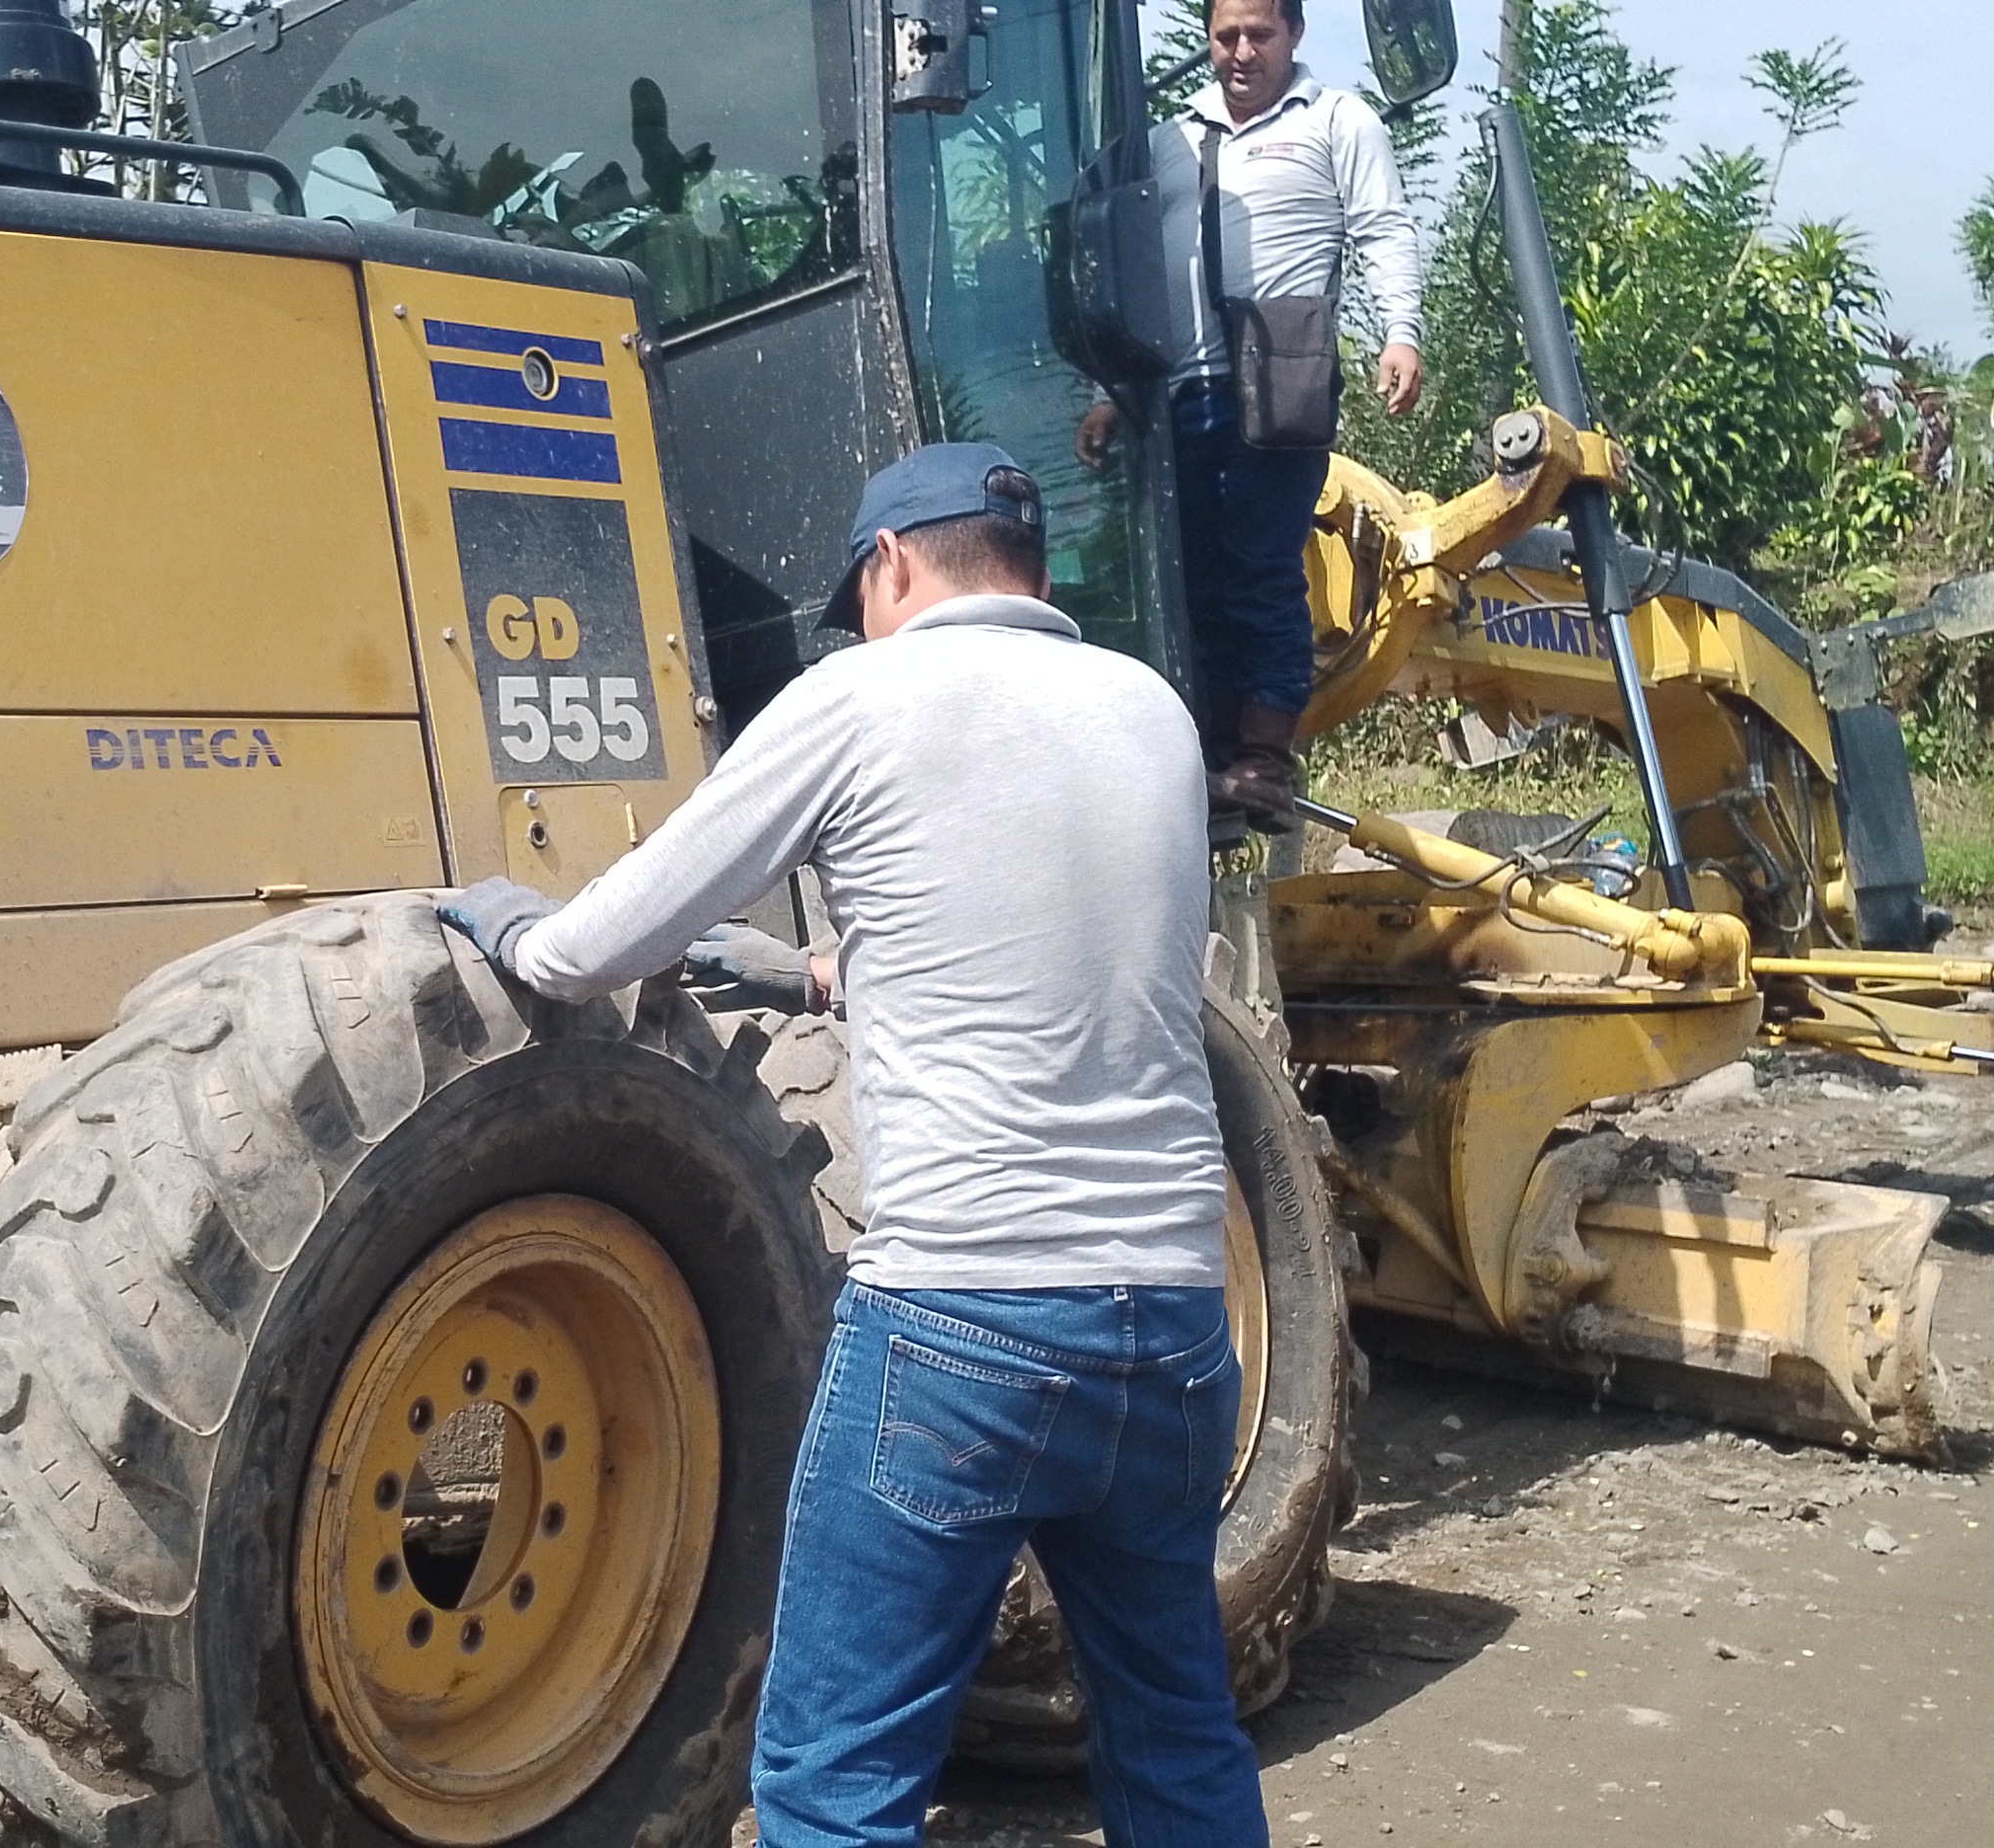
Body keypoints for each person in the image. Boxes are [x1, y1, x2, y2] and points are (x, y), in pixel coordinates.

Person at [434, 444, 1264, 1847]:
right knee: (1176, 1733)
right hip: (1172, 1332)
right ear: (1030, 568)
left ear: (890, 566)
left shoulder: (859, 698)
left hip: (964, 1332)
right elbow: (1077, 957)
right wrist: (819, 974)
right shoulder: (1152, 712)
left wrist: (511, 918)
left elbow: (596, 947)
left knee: (835, 1786)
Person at [1077, 0, 1424, 833]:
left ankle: (1263, 758)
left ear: (1294, 34)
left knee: (1262, 569)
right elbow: (1131, 266)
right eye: (1225, 35)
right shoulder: (1166, 141)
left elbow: (1384, 231)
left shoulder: (1335, 120)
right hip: (1177, 392)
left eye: (1259, 35)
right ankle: (1201, 750)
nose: (1241, 52)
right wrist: (1108, 393)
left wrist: (1401, 334)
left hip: (1281, 381)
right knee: (1187, 576)